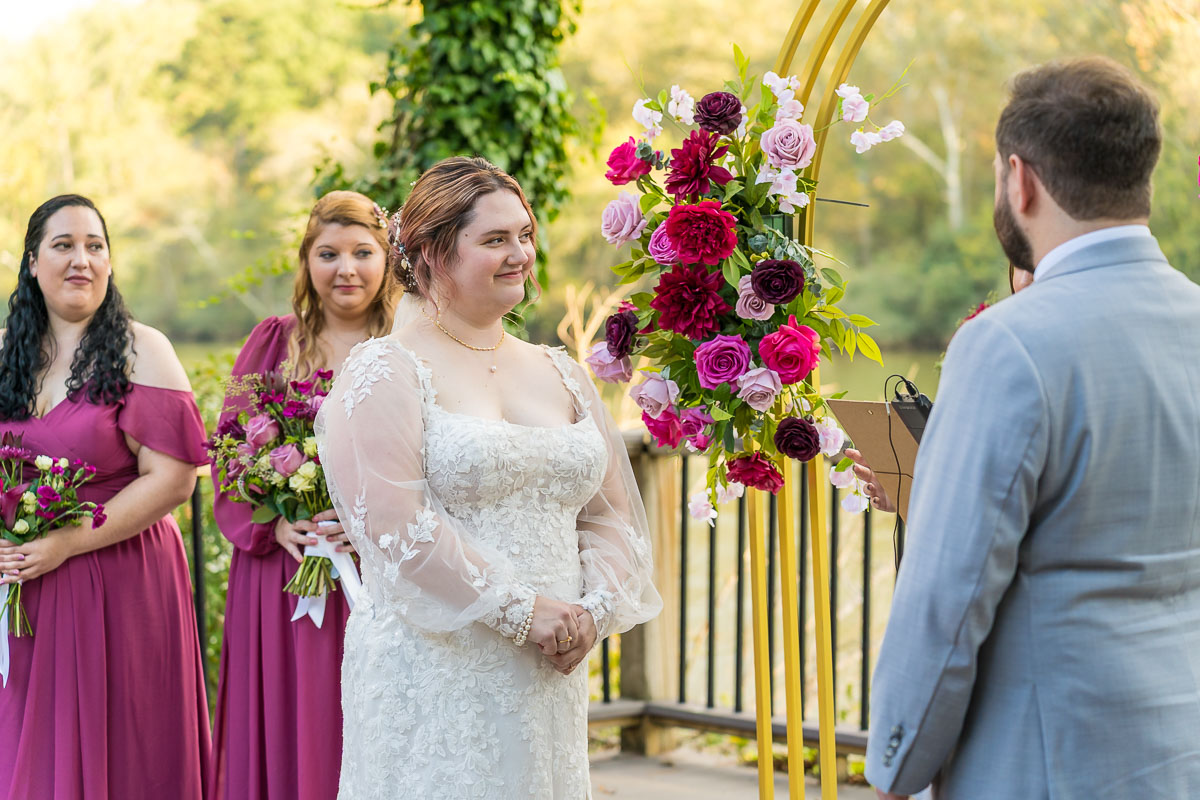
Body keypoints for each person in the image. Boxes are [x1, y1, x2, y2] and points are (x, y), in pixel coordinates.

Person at [863, 57, 1200, 799]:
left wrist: (893, 767)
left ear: (1021, 181)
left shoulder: (1007, 343)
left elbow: (947, 598)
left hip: (1043, 760)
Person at [317, 156, 662, 799]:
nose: (519, 255)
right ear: (429, 253)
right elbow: (395, 525)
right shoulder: (386, 370)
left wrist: (590, 612)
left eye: (524, 236)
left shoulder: (560, 371)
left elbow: (608, 515)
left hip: (548, 672)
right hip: (436, 670)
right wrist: (518, 609)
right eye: (495, 240)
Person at [0, 195, 211, 799]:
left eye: (95, 246)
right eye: (64, 246)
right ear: (33, 262)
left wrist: (66, 543)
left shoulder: (144, 350)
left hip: (122, 578)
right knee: (27, 749)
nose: (81, 260)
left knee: (127, 751)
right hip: (24, 587)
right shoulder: (3, 356)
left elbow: (172, 479)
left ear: (111, 262)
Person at [208, 191, 397, 800]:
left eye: (363, 252)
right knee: (290, 721)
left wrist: (373, 526)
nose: (346, 269)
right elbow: (229, 449)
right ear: (306, 262)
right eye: (329, 253)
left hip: (381, 572)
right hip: (284, 570)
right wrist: (274, 524)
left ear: (387, 258)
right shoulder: (272, 345)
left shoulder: (411, 345)